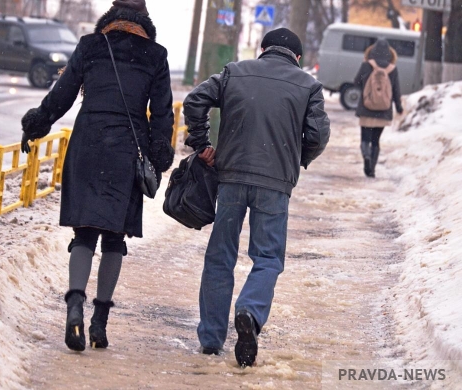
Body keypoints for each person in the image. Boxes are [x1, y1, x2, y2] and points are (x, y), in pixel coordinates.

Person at [20, 0, 175, 352]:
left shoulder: (90, 46)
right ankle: (99, 322)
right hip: (126, 150)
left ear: (110, 15)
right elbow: (162, 114)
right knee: (114, 238)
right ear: (145, 20)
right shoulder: (155, 55)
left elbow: (61, 95)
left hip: (88, 143)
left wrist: (37, 123)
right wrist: (157, 154)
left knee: (85, 231)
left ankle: (74, 304)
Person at [183, 28, 330, 367]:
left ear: (263, 49)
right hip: (275, 183)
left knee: (220, 256)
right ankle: (249, 310)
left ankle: (210, 339)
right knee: (267, 259)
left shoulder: (234, 71)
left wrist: (202, 143)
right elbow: (318, 135)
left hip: (231, 175)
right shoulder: (308, 86)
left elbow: (195, 101)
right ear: (297, 57)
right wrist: (298, 157)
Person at [354, 39, 403, 178]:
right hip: (383, 111)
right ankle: (372, 170)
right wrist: (399, 107)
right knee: (375, 141)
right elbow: (396, 90)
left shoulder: (366, 65)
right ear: (389, 53)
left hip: (366, 108)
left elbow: (356, 82)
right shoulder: (393, 69)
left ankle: (366, 158)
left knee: (365, 139)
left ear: (372, 51)